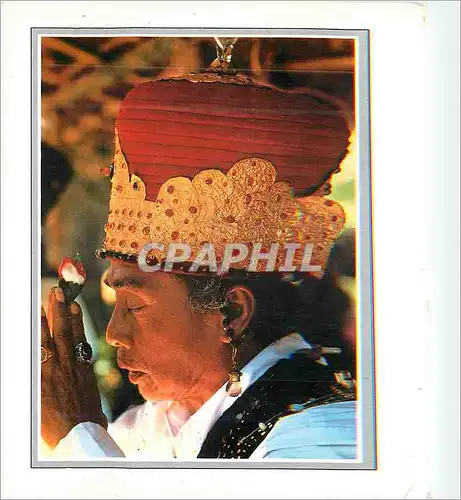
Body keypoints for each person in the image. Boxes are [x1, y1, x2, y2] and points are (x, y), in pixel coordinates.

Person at [40, 44, 357, 460]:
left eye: (134, 305)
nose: (115, 334)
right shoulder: (150, 425)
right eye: (118, 301)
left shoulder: (324, 435)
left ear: (231, 313)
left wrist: (75, 435)